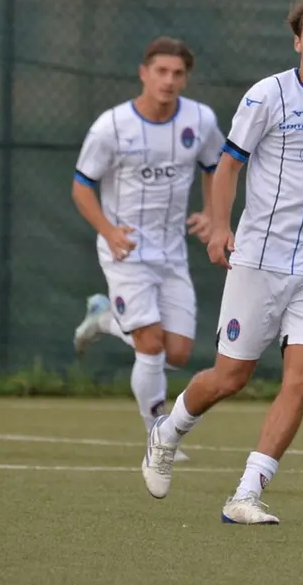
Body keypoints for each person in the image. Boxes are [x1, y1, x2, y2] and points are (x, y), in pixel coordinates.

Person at [139, 0, 303, 525]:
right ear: (297, 41)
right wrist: (218, 226)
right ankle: (167, 433)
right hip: (258, 259)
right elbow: (229, 165)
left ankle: (247, 494)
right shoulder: (268, 96)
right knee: (231, 377)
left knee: (302, 377)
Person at [71, 37, 224, 462]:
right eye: (161, 71)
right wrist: (107, 230)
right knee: (151, 343)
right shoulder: (112, 126)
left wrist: (212, 214)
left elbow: (217, 166)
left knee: (178, 352)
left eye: (177, 73)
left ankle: (106, 319)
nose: (169, 81)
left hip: (172, 251)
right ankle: (158, 435)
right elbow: (81, 185)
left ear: (186, 78)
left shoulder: (200, 119)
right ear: (144, 73)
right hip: (126, 250)